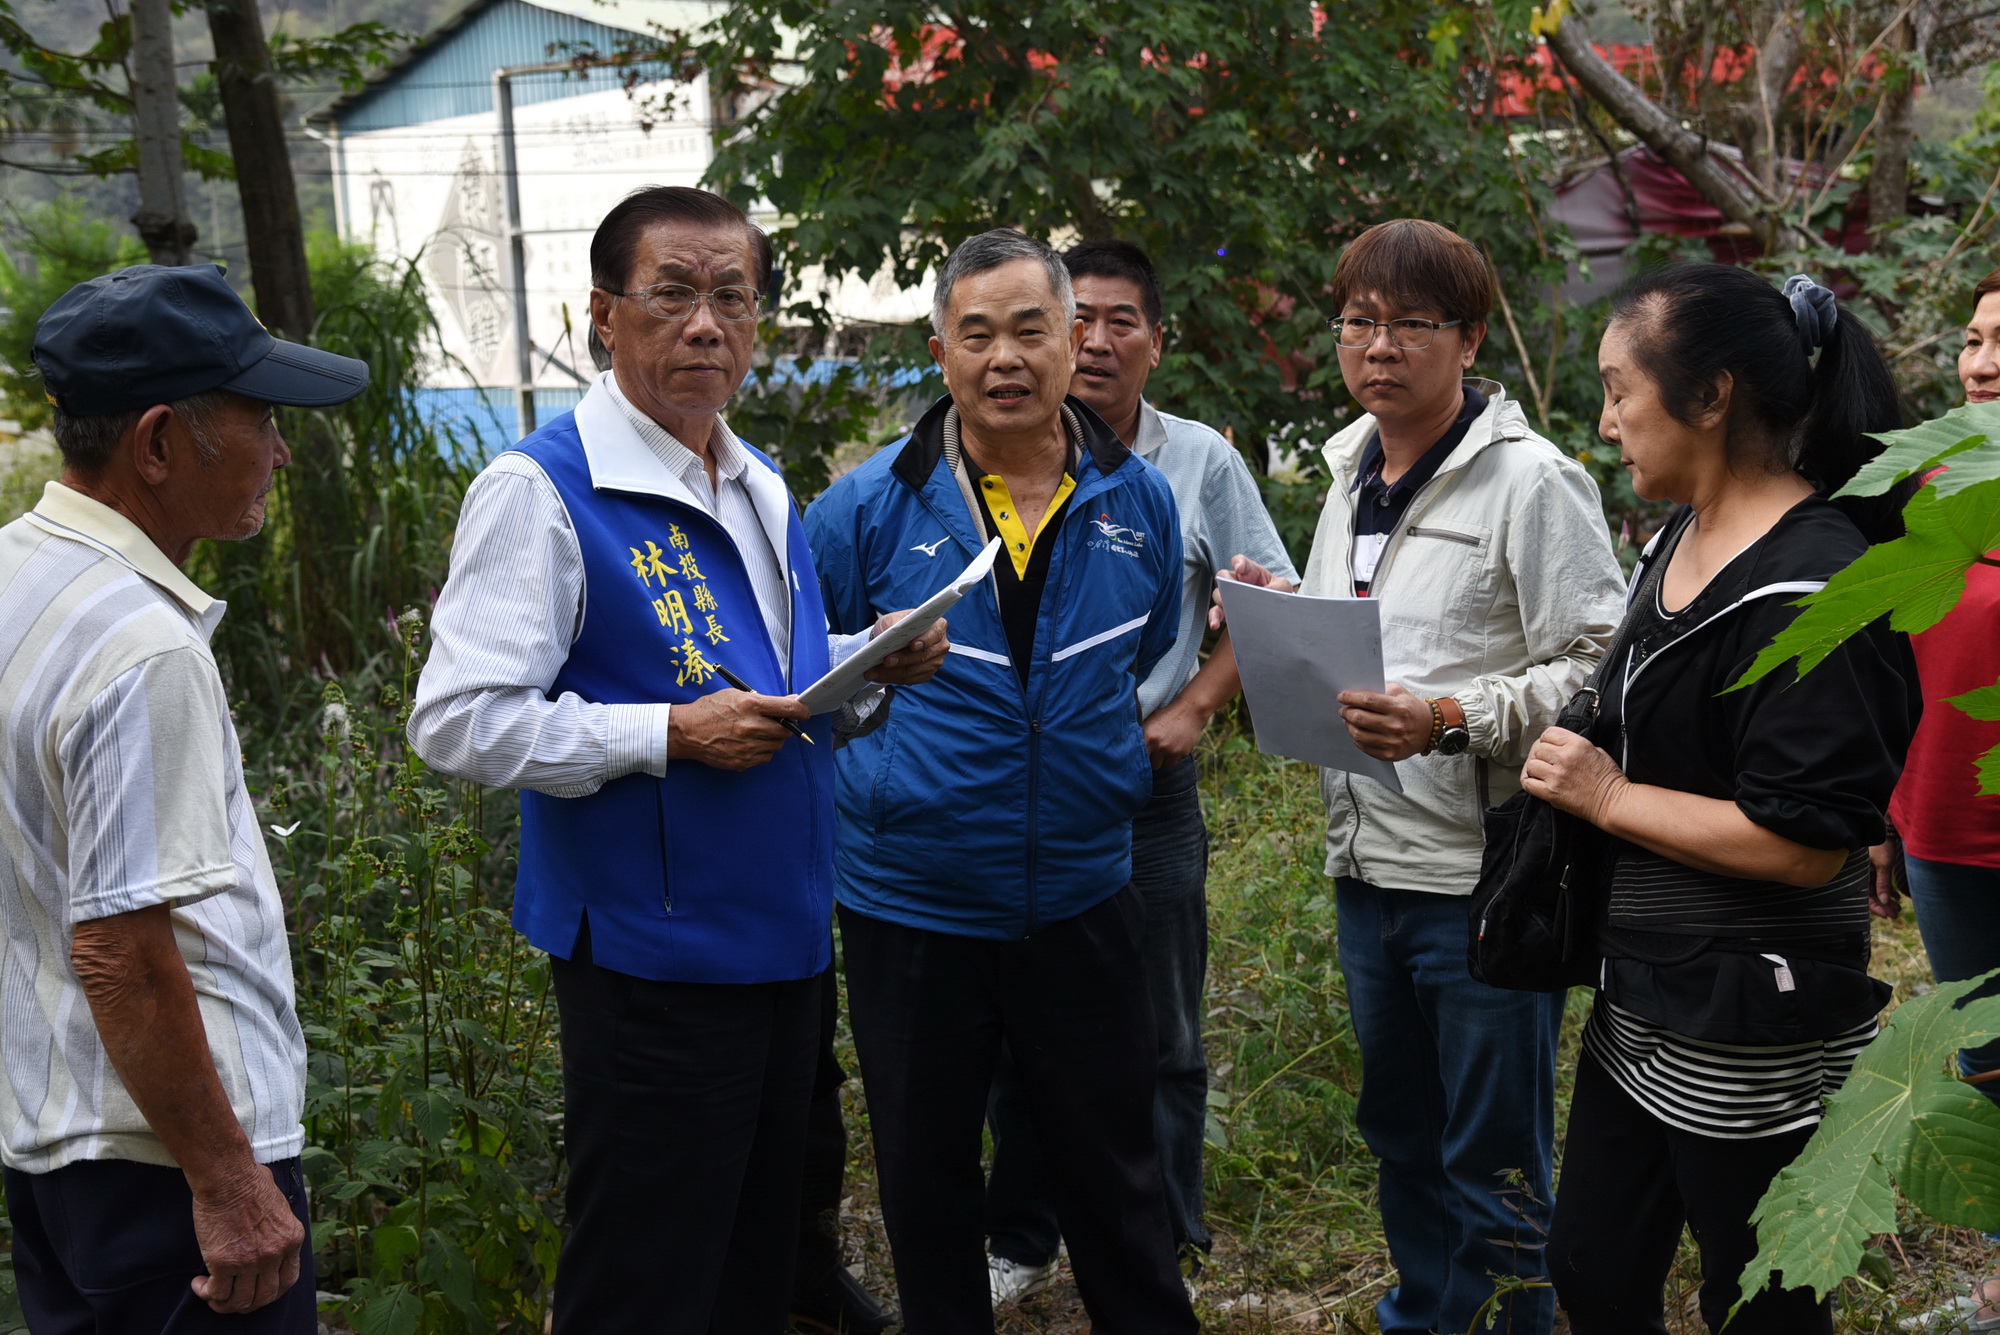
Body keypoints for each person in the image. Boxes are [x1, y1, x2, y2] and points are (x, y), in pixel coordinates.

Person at [408, 185, 946, 1335]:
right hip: (652, 954)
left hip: (785, 933)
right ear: (604, 314)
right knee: (647, 1268)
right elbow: (457, 720)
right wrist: (662, 733)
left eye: (732, 299)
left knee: (757, 1252)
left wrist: (863, 661)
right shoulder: (542, 491)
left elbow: (764, 670)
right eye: (672, 296)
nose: (705, 325)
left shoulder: (754, 480)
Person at [1222, 218, 1626, 1335]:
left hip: (1481, 875)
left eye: (1410, 324)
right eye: (1357, 322)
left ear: (1470, 337)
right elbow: (1360, 635)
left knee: (1491, 1150)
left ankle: (1509, 1320)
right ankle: (1424, 1314)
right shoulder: (1351, 466)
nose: (1378, 347)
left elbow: (1598, 668)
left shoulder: (1530, 483)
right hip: (1366, 864)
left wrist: (1451, 717)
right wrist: (1274, 604)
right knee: (1397, 1128)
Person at [802, 227, 1198, 1335]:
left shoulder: (1138, 505)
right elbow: (799, 677)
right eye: (976, 335)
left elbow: (1142, 651)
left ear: (1075, 341)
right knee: (927, 1187)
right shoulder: (865, 507)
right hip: (911, 907)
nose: (1004, 358)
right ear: (940, 353)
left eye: (1031, 329)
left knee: (1115, 1175)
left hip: (1081, 894)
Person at [1533, 265, 1921, 1333]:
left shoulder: (1815, 586)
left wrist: (1604, 795)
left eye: (1620, 391)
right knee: (1592, 1264)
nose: (1606, 422)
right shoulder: (1677, 536)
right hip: (1645, 995)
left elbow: (1802, 845)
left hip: (1748, 1015)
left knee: (1757, 1297)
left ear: (1708, 396)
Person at [3, 264, 370, 1332]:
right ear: (157, 444)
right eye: (259, 419)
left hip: (60, 1142)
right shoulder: (141, 648)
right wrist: (228, 1184)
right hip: (165, 1171)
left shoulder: (19, 575)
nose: (282, 451)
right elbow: (120, 949)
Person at [979, 239, 1298, 1303]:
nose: (1100, 339)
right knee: (1019, 1020)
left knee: (1160, 1021)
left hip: (1147, 784)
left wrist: (1196, 706)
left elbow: (1272, 602)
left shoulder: (1197, 461)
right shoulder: (979, 454)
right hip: (1020, 786)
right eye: (1082, 319)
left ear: (1155, 344)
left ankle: (1164, 1241)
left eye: (1125, 321)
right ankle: (1018, 1241)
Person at [1885, 263, 2000, 1330]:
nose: (1981, 360)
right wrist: (1883, 810)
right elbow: (1901, 650)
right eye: (1972, 339)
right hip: (1939, 822)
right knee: (1986, 1052)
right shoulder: (1937, 476)